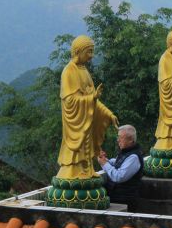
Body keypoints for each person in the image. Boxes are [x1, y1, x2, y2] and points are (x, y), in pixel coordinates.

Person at [57, 35, 118, 180]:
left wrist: (109, 114)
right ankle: (73, 171)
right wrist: (92, 97)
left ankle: (87, 169)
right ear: (78, 51)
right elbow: (70, 100)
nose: (91, 56)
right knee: (77, 148)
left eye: (92, 52)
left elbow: (93, 99)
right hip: (76, 122)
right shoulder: (69, 71)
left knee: (87, 148)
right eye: (88, 52)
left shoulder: (84, 70)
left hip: (87, 121)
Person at [98, 125, 143, 210]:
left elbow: (119, 176)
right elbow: (116, 163)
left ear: (130, 140)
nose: (118, 140)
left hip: (125, 201)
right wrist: (104, 160)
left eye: (121, 138)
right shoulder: (126, 152)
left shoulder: (134, 157)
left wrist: (104, 164)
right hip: (117, 198)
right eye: (118, 137)